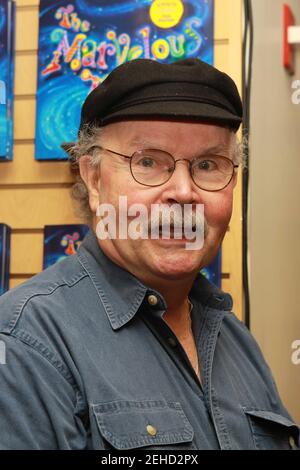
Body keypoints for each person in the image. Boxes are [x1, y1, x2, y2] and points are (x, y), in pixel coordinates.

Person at [0, 58, 299, 450]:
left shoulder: (236, 340)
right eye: (147, 162)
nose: (184, 192)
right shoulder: (27, 342)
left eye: (208, 164)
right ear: (92, 177)